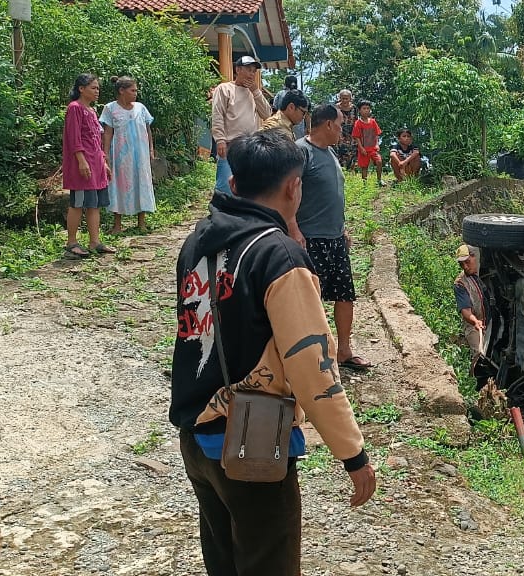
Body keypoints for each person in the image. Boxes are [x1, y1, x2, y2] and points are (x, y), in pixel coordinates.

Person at [171, 131, 375, 575]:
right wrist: (353, 454)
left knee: (223, 561)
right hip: (252, 443)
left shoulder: (197, 242)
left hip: (196, 435)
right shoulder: (279, 257)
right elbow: (313, 368)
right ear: (293, 187)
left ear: (236, 184)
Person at [295, 104, 373, 371]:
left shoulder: (330, 153)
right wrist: (293, 229)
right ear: (328, 124)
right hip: (311, 239)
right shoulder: (300, 152)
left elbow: (334, 194)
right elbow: (288, 194)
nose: (344, 131)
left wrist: (343, 228)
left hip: (335, 237)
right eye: (340, 125)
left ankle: (344, 351)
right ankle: (312, 356)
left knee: (344, 295)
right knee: (310, 300)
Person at [62, 73, 114, 259]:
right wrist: (81, 160)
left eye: (98, 88)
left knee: (95, 204)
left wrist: (103, 162)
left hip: (96, 164)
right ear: (81, 89)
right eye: (93, 87)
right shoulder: (74, 108)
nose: (97, 91)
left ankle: (95, 241)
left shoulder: (92, 111)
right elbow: (74, 138)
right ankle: (71, 242)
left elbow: (96, 140)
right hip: (82, 165)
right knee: (78, 203)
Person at [100, 75, 155, 234]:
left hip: (140, 154)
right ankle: (117, 224)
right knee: (119, 185)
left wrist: (151, 148)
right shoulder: (110, 108)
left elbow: (147, 130)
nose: (135, 93)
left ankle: (141, 222)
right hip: (120, 155)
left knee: (141, 183)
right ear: (121, 91)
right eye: (132, 90)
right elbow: (108, 133)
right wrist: (106, 154)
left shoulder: (140, 108)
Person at [210, 56, 272, 196]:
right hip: (230, 145)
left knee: (248, 187)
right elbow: (218, 114)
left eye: (254, 71)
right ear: (238, 70)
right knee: (225, 187)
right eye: (249, 70)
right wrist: (220, 139)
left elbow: (267, 114)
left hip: (250, 147)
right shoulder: (225, 89)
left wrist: (256, 91)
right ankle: (221, 215)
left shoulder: (254, 93)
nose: (251, 74)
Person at [453, 244, 492, 389]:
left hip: (490, 323)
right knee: (479, 354)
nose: (465, 267)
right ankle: (476, 388)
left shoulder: (485, 273)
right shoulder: (460, 284)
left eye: (467, 262)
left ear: (475, 257)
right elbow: (465, 311)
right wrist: (475, 321)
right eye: (461, 264)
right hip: (473, 326)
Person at [351, 100, 383, 186]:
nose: (366, 110)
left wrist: (377, 144)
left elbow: (377, 134)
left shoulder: (373, 121)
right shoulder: (358, 123)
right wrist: (361, 148)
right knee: (364, 167)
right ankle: (365, 184)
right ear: (360, 110)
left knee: (379, 161)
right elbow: (356, 137)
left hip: (373, 148)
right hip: (363, 149)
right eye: (364, 108)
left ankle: (379, 180)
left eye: (368, 108)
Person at [334, 90, 357, 171]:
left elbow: (356, 121)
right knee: (339, 155)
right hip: (339, 134)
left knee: (352, 155)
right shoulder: (336, 108)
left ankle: (350, 174)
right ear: (339, 98)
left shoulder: (354, 108)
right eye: (343, 98)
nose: (344, 100)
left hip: (352, 135)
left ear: (350, 99)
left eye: (346, 98)